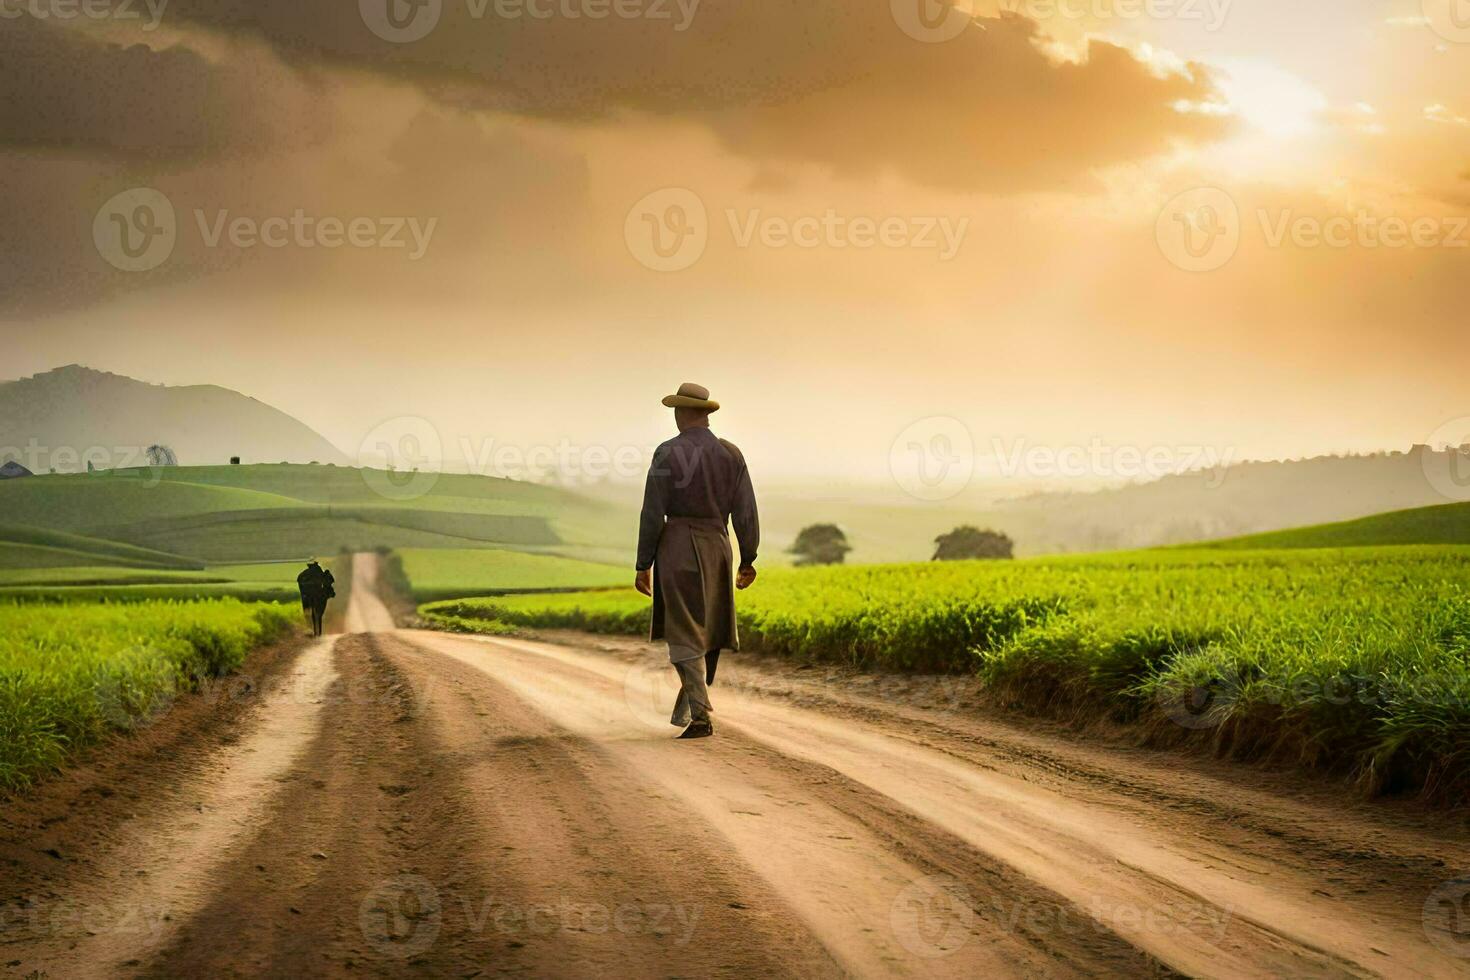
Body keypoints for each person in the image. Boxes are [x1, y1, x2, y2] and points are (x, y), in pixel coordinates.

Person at [635, 382, 760, 739]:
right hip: (719, 545)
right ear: (705, 415)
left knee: (684, 630)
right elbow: (746, 511)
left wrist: (643, 563)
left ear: (683, 413)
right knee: (712, 630)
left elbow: (652, 512)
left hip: (677, 545)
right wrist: (747, 558)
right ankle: (693, 704)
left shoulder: (667, 453)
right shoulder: (731, 454)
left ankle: (700, 714)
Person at [296, 559, 336, 637]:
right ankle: (317, 633)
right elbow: (328, 583)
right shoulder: (319, 572)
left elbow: (300, 584)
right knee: (318, 615)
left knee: (310, 615)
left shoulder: (303, 575)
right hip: (318, 596)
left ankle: (313, 632)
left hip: (308, 596)